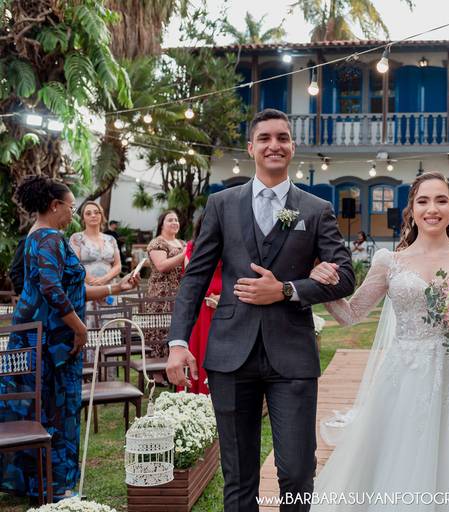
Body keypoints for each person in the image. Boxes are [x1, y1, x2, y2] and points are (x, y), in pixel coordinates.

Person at [166, 108, 355, 512]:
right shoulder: (221, 204)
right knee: (238, 476)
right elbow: (195, 278)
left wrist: (286, 290)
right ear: (251, 147)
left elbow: (344, 278)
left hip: (293, 356)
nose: (274, 145)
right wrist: (178, 342)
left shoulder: (315, 209)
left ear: (292, 147)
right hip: (230, 355)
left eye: (282, 138)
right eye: (265, 138)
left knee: (298, 471)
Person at [307, 171, 449, 511]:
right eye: (423, 201)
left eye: (441, 200)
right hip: (404, 377)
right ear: (412, 209)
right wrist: (321, 283)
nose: (432, 209)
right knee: (400, 456)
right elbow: (351, 314)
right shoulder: (389, 262)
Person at [0, 176, 138, 501]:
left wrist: (116, 287)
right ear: (54, 206)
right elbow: (51, 289)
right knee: (56, 411)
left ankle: (42, 482)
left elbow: (71, 290)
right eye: (72, 207)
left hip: (43, 338)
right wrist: (80, 328)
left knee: (43, 409)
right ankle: (56, 486)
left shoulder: (37, 237)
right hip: (53, 344)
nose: (72, 214)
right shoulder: (50, 238)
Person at [178, 214, 222, 395]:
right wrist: (207, 296)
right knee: (201, 347)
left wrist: (224, 297)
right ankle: (200, 391)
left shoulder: (230, 244)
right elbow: (192, 276)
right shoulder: (192, 246)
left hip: (225, 301)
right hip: (203, 303)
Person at [145, 210, 185, 361]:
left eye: (176, 220)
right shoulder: (157, 243)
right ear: (161, 224)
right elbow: (162, 266)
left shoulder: (182, 243)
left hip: (180, 293)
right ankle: (157, 368)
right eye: (170, 220)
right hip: (161, 295)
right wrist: (184, 254)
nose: (175, 223)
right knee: (160, 332)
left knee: (177, 330)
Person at [69, 201, 122, 289]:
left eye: (97, 212)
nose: (93, 215)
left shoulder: (111, 239)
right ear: (83, 218)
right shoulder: (76, 238)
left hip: (109, 288)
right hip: (85, 289)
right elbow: (75, 264)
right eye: (88, 213)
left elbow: (118, 265)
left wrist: (103, 280)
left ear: (101, 216)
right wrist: (93, 282)